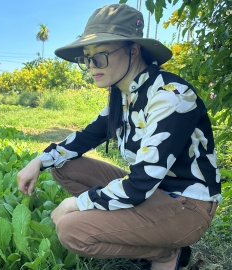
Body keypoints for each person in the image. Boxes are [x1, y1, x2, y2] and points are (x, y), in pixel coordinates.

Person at [17, 4, 222, 270]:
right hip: (153, 194)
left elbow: (141, 182)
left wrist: (76, 203)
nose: (91, 66)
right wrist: (39, 161)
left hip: (188, 206)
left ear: (133, 49)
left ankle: (165, 252)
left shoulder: (171, 96)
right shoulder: (124, 96)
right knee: (64, 166)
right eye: (86, 58)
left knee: (72, 229)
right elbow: (84, 138)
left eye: (99, 56)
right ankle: (151, 239)